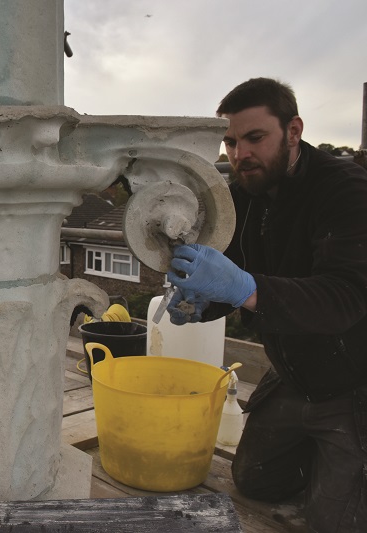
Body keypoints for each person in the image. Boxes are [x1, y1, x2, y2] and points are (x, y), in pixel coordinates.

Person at [166, 78, 367, 532]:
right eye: (231, 142)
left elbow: (345, 297)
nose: (240, 154)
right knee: (255, 481)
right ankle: (331, 462)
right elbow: (235, 281)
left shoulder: (346, 189)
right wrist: (201, 303)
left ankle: (343, 468)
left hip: (354, 380)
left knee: (335, 522)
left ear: (293, 131)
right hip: (294, 372)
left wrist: (240, 285)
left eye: (255, 138)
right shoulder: (243, 196)